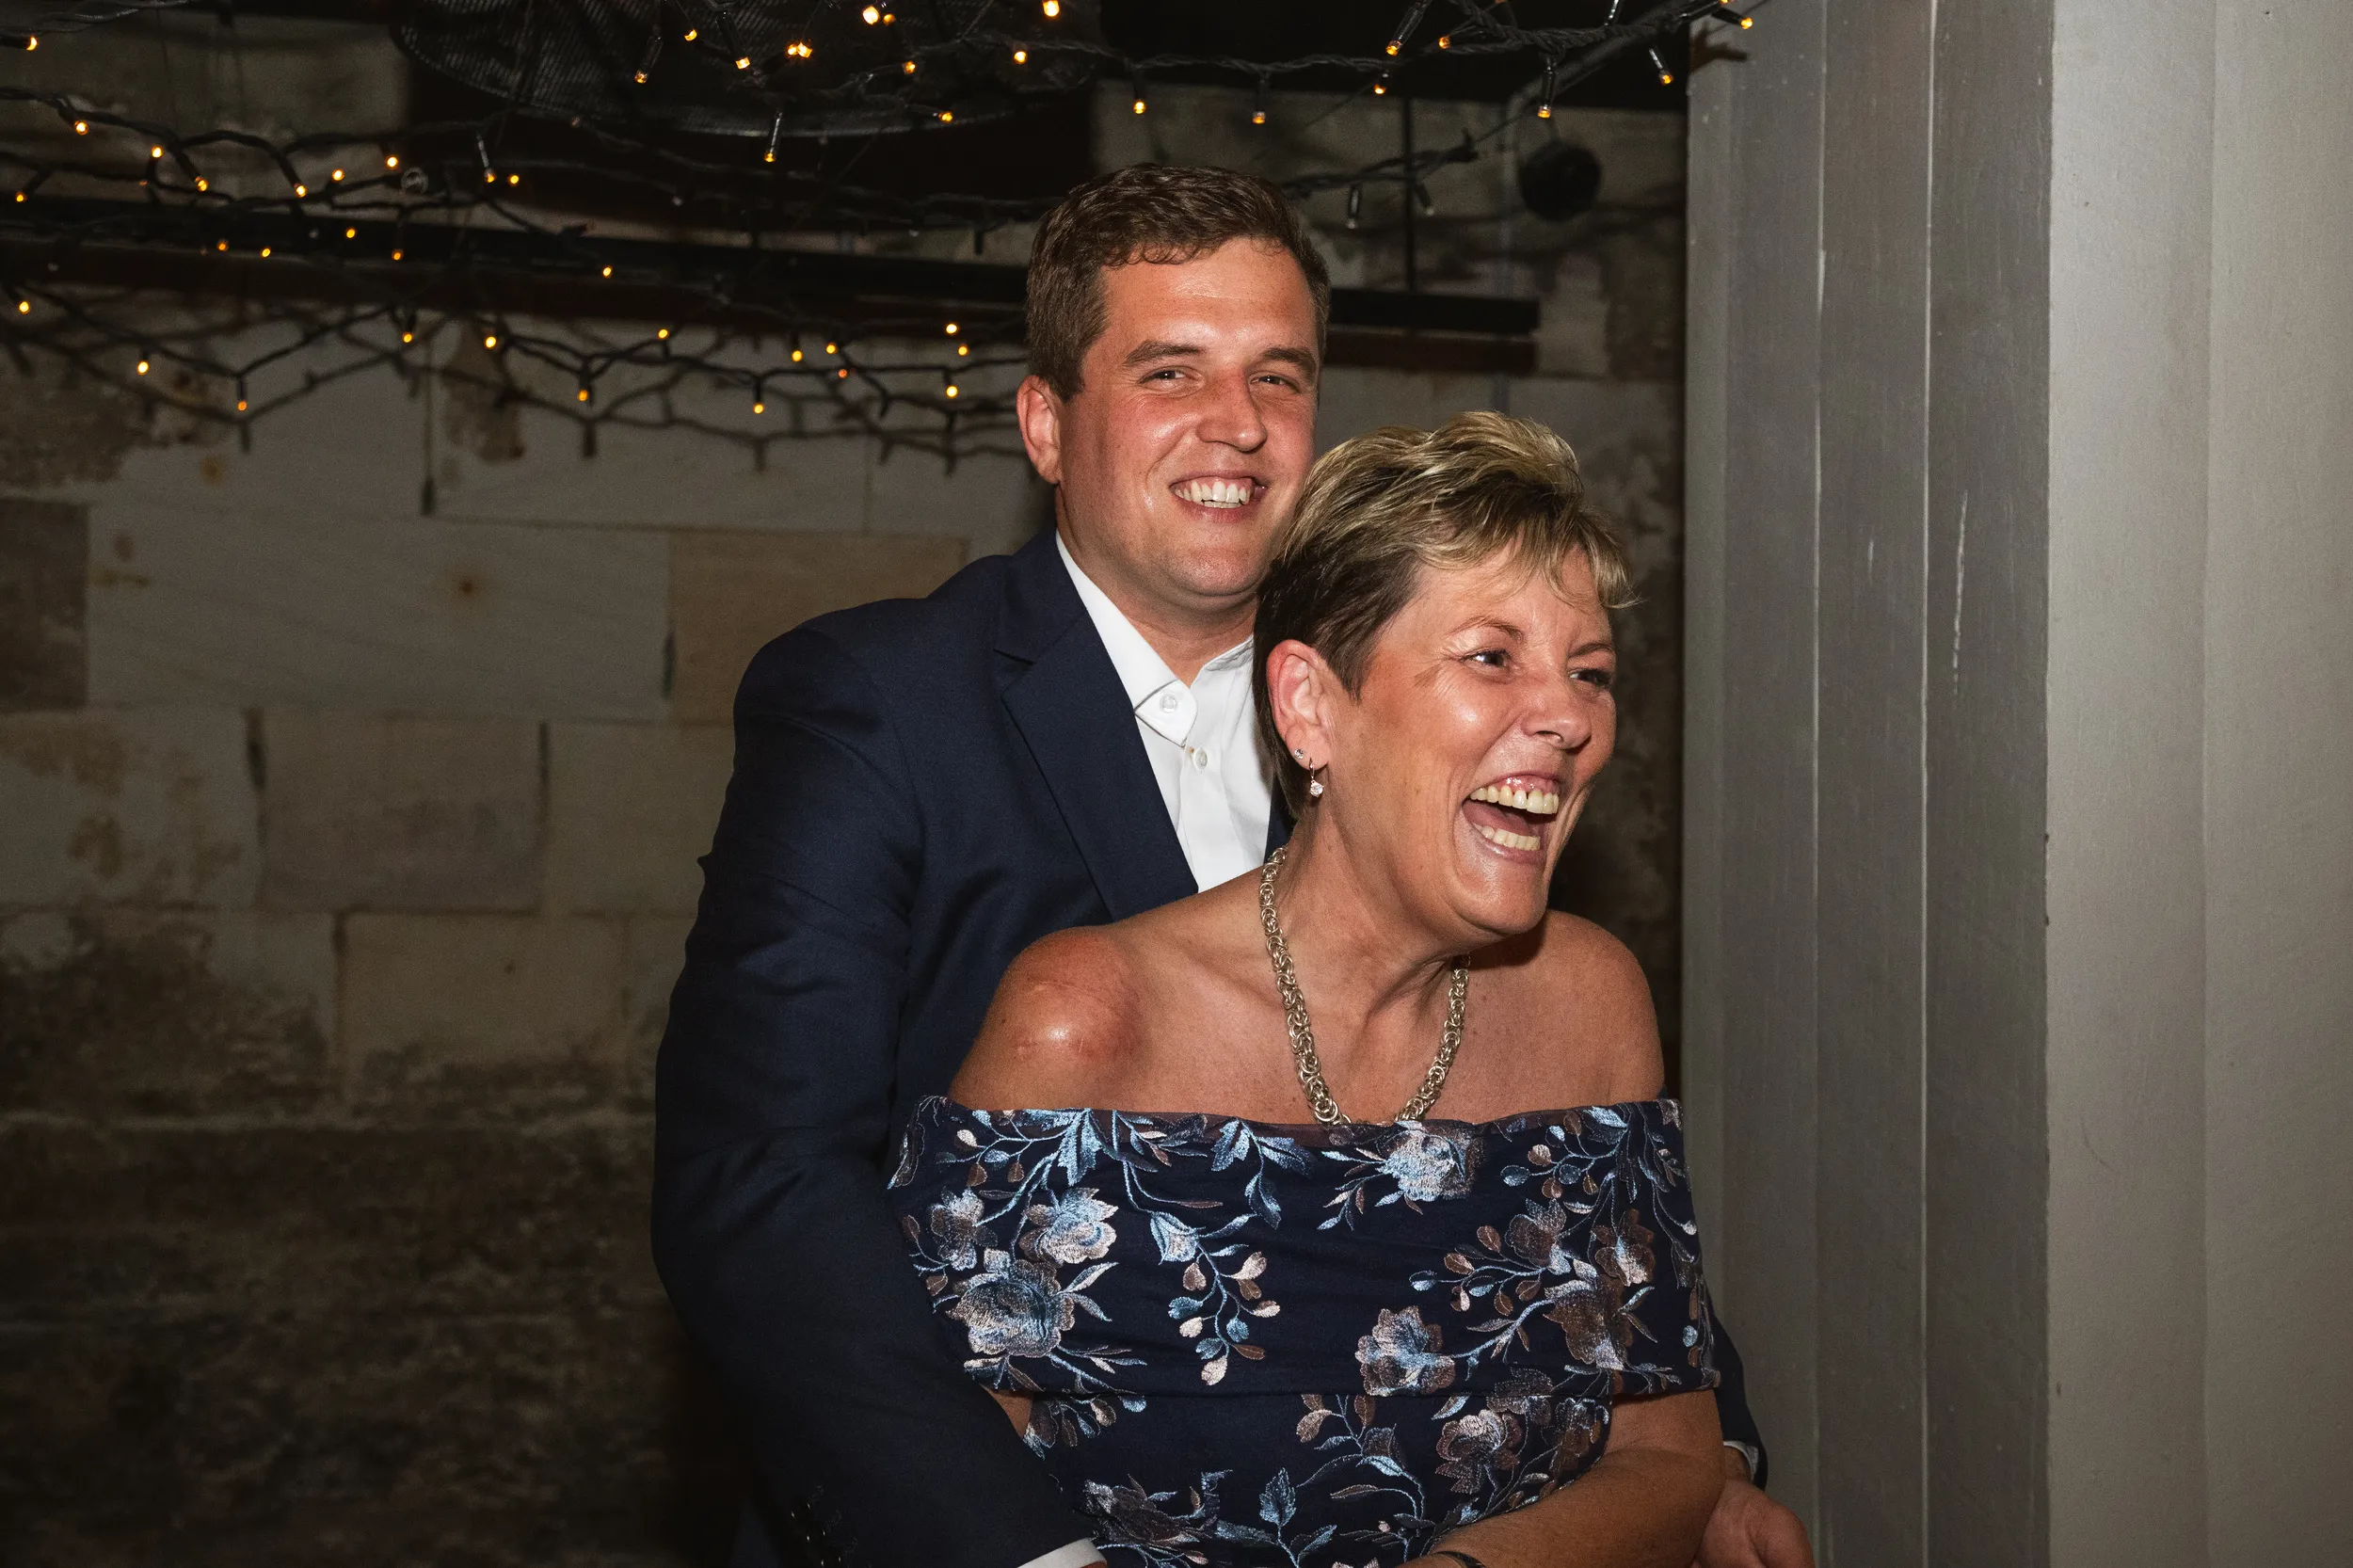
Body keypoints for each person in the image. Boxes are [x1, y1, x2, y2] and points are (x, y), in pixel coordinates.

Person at [653, 165, 1808, 1568]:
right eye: (1170, 371)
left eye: (1280, 374)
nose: (1240, 426)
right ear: (1043, 422)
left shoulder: (1413, 712)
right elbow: (762, 1181)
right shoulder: (880, 703)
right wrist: (1026, 1553)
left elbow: (1554, 1174)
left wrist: (1703, 1463)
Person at [890, 413, 1719, 1568]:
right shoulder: (1088, 1020)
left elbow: (1674, 1462)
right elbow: (933, 1487)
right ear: (1311, 707)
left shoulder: (1589, 1004)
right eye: (1492, 656)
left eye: (1590, 674)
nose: (1571, 717)